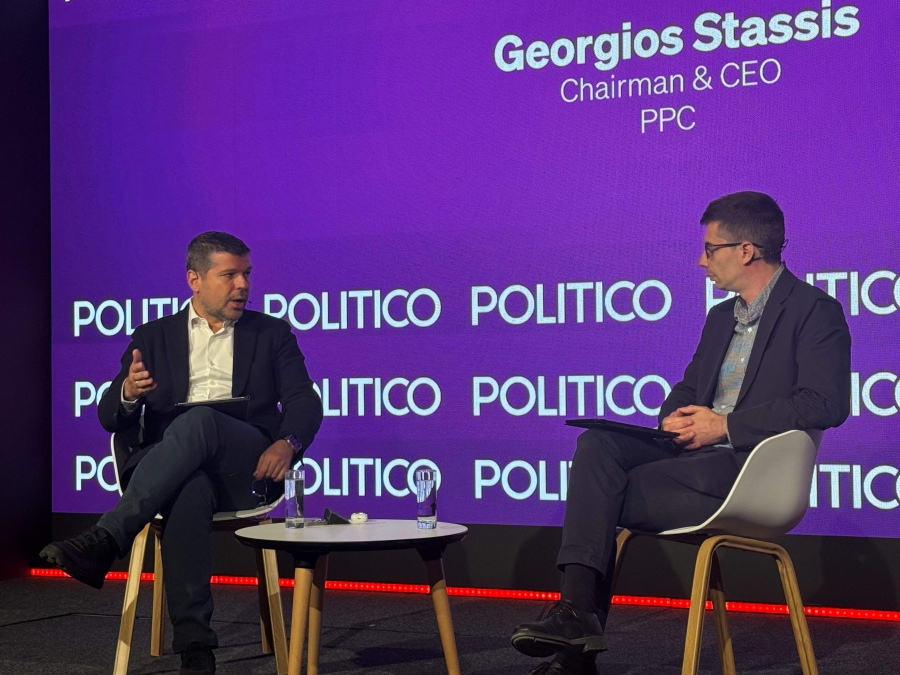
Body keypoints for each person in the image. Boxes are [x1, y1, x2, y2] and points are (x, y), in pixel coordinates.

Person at [510, 191, 851, 675]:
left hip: (746, 471)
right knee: (597, 444)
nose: (701, 261)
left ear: (746, 250)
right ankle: (576, 616)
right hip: (694, 460)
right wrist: (673, 417)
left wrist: (724, 426)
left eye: (710, 249)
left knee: (603, 495)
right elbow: (689, 388)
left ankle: (575, 646)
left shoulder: (814, 310)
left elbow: (826, 402)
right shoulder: (721, 317)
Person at [41, 232, 323, 675]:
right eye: (229, 275)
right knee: (188, 489)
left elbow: (304, 400)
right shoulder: (152, 337)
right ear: (195, 279)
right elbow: (109, 416)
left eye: (246, 274)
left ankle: (106, 537)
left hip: (245, 465)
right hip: (173, 470)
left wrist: (288, 443)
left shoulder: (271, 333)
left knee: (200, 420)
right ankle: (195, 646)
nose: (243, 286)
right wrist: (128, 392)